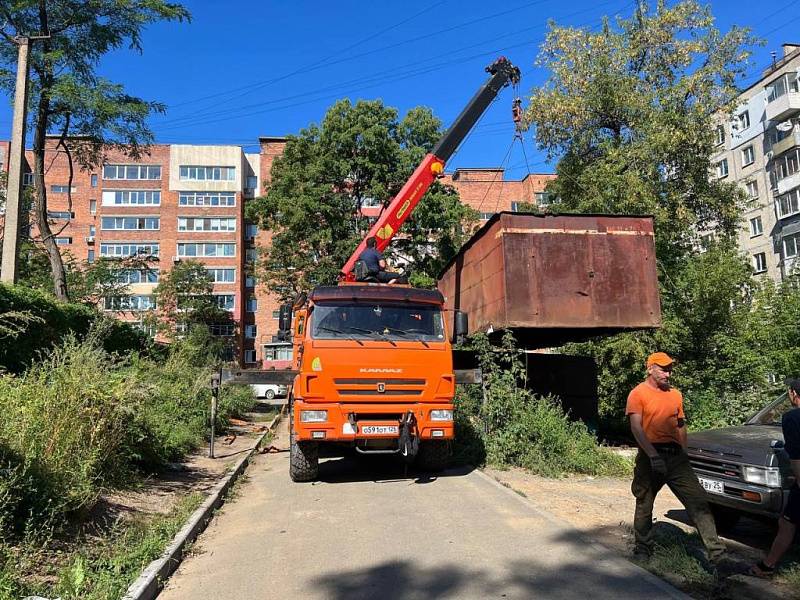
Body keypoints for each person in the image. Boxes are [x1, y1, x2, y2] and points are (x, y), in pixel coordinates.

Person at [627, 352, 725, 564]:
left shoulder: (675, 395)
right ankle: (642, 549)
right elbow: (636, 428)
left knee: (698, 501)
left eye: (670, 369)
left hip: (676, 457)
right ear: (650, 368)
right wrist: (653, 456)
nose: (668, 373)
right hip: (650, 456)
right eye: (663, 368)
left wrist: (683, 453)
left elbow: (680, 425)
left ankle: (717, 554)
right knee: (644, 502)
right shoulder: (638, 394)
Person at [750, 377, 800, 577]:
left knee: (787, 523)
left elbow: (797, 455)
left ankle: (767, 567)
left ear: (793, 394)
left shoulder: (792, 418)